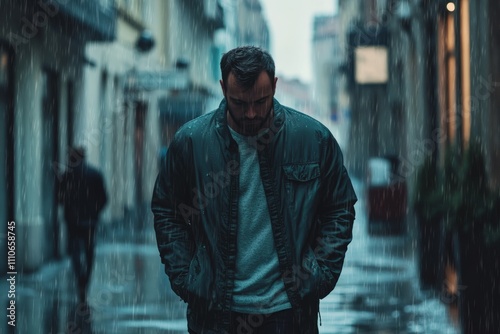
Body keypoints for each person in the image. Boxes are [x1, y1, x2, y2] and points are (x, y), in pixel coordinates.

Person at [151, 46, 357, 333]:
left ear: (274, 86)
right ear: (223, 89)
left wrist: (319, 274)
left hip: (289, 312)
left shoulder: (313, 139)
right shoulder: (191, 142)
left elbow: (340, 207)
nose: (250, 113)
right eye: (239, 102)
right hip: (215, 311)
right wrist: (188, 277)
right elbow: (167, 211)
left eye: (261, 101)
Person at [58, 146, 108, 302]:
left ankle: (80, 275)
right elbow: (104, 198)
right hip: (90, 221)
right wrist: (95, 212)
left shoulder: (67, 176)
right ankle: (85, 278)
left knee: (74, 249)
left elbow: (59, 198)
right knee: (89, 249)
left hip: (73, 221)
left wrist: (70, 209)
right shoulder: (95, 174)